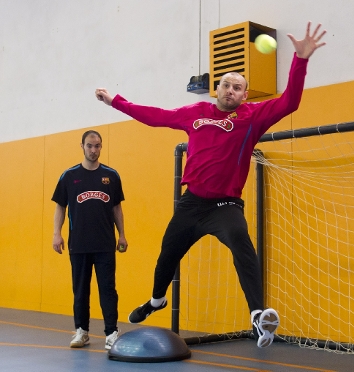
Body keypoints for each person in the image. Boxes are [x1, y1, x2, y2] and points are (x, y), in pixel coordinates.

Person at [94, 21, 326, 348]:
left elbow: (290, 101)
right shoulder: (196, 112)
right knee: (166, 257)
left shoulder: (253, 117)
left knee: (241, 243)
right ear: (217, 88)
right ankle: (157, 300)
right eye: (226, 85)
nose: (231, 91)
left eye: (237, 87)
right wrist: (115, 101)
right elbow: (154, 115)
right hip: (192, 204)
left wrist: (300, 61)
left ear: (245, 95)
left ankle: (259, 317)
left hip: (225, 206)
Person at [52, 130, 128, 350]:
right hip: (78, 244)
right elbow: (60, 206)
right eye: (89, 146)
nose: (93, 150)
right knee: (80, 290)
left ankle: (111, 333)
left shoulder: (111, 175)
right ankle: (81, 331)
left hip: (105, 243)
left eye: (97, 146)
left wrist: (122, 234)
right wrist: (57, 233)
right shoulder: (69, 176)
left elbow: (117, 207)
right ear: (82, 146)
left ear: (101, 147)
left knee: (108, 289)